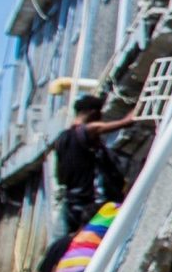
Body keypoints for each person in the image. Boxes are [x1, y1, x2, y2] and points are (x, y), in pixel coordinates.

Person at [53, 94, 139, 233]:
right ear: (93, 113)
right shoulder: (88, 130)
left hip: (70, 203)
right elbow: (126, 122)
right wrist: (143, 101)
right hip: (89, 203)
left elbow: (60, 176)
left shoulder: (61, 139)